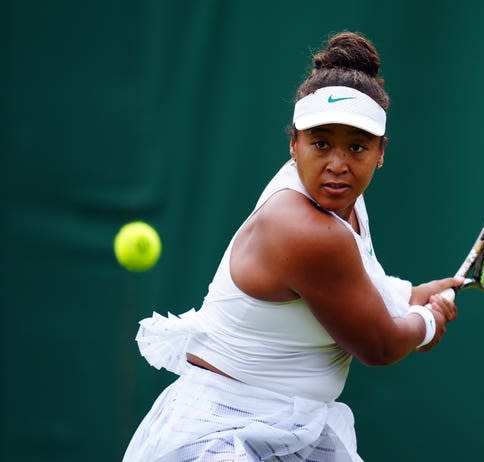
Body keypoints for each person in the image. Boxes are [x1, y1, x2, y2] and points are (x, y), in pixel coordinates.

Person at [122, 31, 461, 462]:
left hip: (286, 431)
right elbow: (379, 345)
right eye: (321, 143)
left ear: (380, 152)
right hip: (222, 437)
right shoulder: (305, 229)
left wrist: (412, 297)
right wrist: (425, 322)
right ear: (293, 144)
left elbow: (355, 288)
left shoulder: (343, 202)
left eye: (356, 147)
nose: (337, 164)